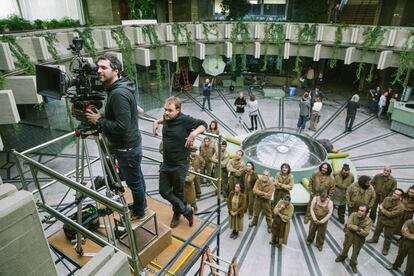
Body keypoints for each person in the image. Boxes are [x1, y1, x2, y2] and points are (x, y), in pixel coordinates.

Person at [85, 53, 147, 221]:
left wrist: (99, 120)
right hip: (131, 145)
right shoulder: (121, 87)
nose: (99, 71)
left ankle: (140, 212)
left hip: (126, 148)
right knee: (137, 179)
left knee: (134, 183)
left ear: (116, 70)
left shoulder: (118, 94)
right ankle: (142, 205)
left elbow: (122, 126)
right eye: (98, 67)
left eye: (104, 67)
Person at [153, 96, 207, 228]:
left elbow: (204, 124)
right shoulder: (167, 118)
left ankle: (177, 214)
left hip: (180, 165)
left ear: (178, 110)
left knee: (178, 192)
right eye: (165, 109)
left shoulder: (185, 120)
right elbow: (165, 119)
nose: (166, 113)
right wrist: (157, 121)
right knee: (163, 191)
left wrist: (194, 134)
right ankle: (186, 210)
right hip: (166, 163)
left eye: (169, 110)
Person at [335, 205, 373, 274]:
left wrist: (354, 228)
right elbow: (349, 225)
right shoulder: (353, 215)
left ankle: (353, 263)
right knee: (345, 247)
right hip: (349, 235)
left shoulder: (369, 221)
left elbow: (366, 233)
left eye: (362, 211)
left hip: (359, 239)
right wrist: (359, 229)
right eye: (359, 210)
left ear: (366, 212)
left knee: (355, 252)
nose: (359, 212)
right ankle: (343, 256)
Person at [367, 188, 404, 255]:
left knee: (388, 237)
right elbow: (381, 207)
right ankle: (374, 239)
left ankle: (386, 248)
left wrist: (382, 209)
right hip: (381, 219)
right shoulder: (387, 199)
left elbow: (390, 215)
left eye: (397, 194)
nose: (395, 195)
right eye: (394, 193)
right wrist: (383, 211)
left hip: (390, 223)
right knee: (377, 230)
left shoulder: (400, 207)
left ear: (400, 197)